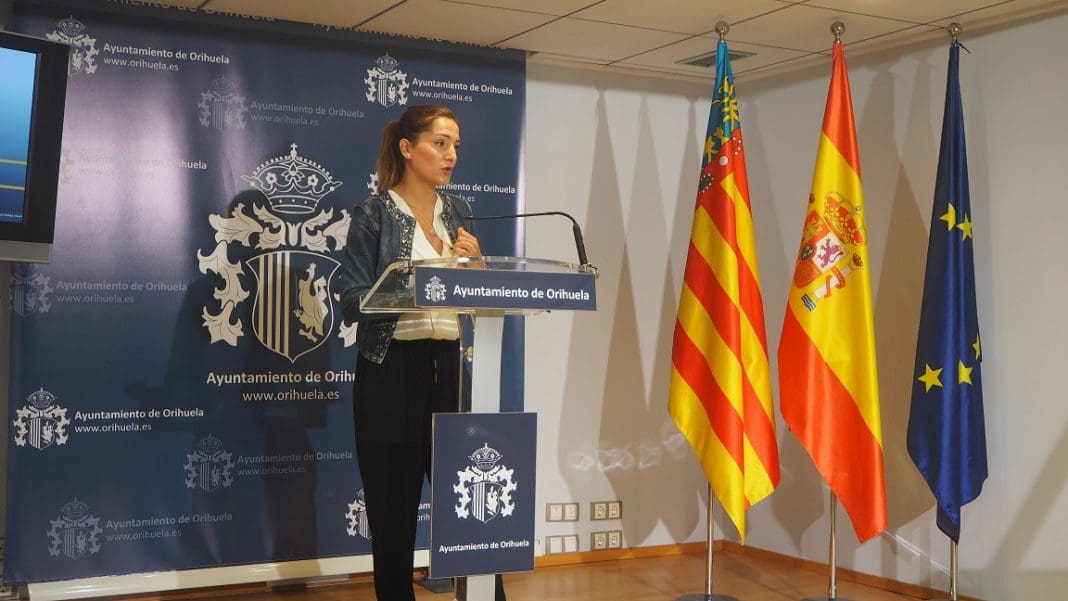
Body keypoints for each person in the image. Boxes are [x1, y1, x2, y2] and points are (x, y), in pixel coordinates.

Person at [337, 105, 505, 601]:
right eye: (440, 143)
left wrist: (477, 268)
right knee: (393, 510)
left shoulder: (458, 213)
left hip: (448, 368)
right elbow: (350, 298)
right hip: (391, 369)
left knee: (470, 504)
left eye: (456, 146)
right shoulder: (373, 213)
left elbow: (475, 295)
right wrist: (414, 285)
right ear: (407, 148)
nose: (451, 155)